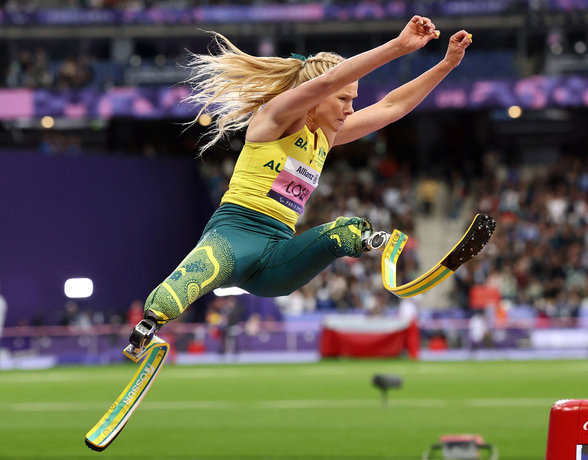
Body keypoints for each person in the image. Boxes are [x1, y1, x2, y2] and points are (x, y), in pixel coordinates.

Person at [128, 16, 473, 354]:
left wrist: (446, 64)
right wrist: (399, 47)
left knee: (344, 232)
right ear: (317, 95)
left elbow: (392, 106)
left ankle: (364, 240)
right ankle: (148, 326)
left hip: (277, 258)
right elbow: (329, 81)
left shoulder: (326, 136)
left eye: (352, 100)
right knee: (196, 276)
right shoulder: (275, 117)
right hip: (236, 236)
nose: (350, 110)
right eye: (344, 99)